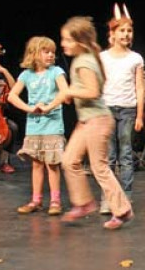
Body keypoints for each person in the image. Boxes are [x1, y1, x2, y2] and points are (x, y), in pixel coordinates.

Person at [58, 16, 134, 230]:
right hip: (87, 121)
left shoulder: (84, 61)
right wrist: (69, 94)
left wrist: (69, 91)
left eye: (67, 40)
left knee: (99, 167)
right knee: (69, 160)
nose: (63, 44)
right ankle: (84, 203)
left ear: (79, 42)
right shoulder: (84, 59)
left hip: (97, 120)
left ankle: (122, 209)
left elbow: (93, 91)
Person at [8, 36, 68, 215]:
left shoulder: (56, 72)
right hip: (34, 126)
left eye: (53, 52)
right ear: (34, 54)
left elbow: (65, 92)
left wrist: (48, 107)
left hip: (52, 124)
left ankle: (55, 201)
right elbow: (12, 96)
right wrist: (30, 109)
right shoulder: (26, 75)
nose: (51, 55)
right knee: (36, 164)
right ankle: (36, 200)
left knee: (52, 164)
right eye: (46, 51)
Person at [99, 4, 144, 209]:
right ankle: (108, 198)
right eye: (122, 30)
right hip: (107, 109)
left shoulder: (136, 58)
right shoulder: (103, 57)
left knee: (125, 155)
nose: (126, 34)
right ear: (113, 33)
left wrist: (140, 116)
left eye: (129, 30)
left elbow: (140, 88)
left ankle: (125, 196)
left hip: (128, 109)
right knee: (108, 156)